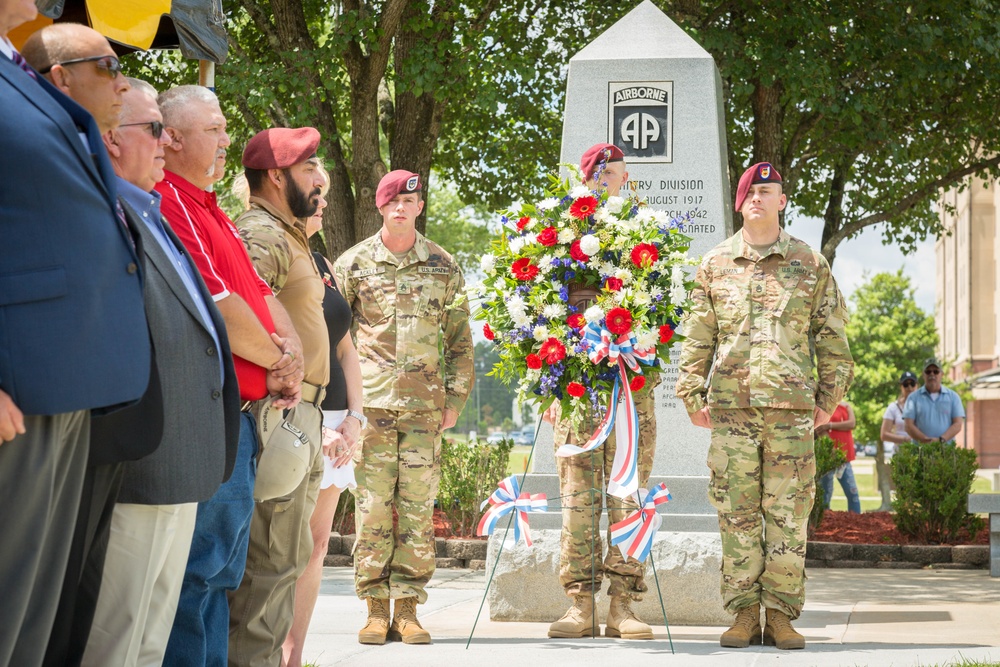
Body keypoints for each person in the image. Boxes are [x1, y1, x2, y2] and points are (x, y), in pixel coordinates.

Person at [0, 8, 150, 665]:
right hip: (20, 387)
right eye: (109, 66)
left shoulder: (14, 73)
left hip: (67, 379)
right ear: (61, 75)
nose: (121, 80)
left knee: (34, 604)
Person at [77, 79, 241, 667]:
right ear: (112, 140)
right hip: (140, 464)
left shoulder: (152, 211)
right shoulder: (106, 214)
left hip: (180, 463)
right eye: (154, 129)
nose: (164, 142)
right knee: (116, 639)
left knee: (149, 641)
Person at [675, 162, 853, 650]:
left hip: (792, 413)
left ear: (782, 201)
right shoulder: (714, 264)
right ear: (739, 202)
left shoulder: (809, 264)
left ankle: (780, 615)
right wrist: (691, 395)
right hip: (731, 413)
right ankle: (742, 616)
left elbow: (832, 338)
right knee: (736, 514)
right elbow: (697, 338)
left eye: (767, 190)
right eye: (750, 191)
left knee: (789, 515)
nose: (757, 196)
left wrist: (827, 401)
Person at [155, 85, 304, 667]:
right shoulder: (169, 199)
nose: (225, 142)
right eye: (213, 130)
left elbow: (261, 295)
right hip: (208, 418)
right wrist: (280, 361)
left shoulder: (211, 205)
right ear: (171, 138)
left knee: (219, 576)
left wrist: (286, 349)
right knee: (198, 575)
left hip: (241, 420)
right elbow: (216, 302)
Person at [334, 170, 474, 646]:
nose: (400, 208)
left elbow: (459, 341)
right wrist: (340, 406)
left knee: (416, 508)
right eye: (392, 200)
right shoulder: (352, 264)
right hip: (369, 405)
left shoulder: (443, 264)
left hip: (423, 408)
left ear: (419, 207)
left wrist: (454, 399)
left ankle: (409, 609)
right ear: (380, 207)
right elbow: (334, 337)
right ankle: (375, 609)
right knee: (373, 507)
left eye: (408, 201)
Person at [546, 143, 657, 641]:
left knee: (628, 498)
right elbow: (541, 314)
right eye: (596, 171)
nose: (604, 178)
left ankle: (624, 605)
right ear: (584, 177)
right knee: (576, 501)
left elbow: (663, 317)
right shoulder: (558, 237)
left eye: (613, 171)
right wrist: (549, 383)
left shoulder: (648, 237)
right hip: (576, 394)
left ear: (625, 177)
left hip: (629, 393)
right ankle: (579, 604)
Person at [229, 127, 330, 667]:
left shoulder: (291, 235)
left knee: (283, 563)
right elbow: (237, 308)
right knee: (265, 568)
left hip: (301, 414)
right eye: (309, 168)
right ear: (276, 175)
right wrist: (278, 366)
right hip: (275, 414)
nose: (319, 180)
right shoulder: (262, 233)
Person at [281, 170, 364, 667]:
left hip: (337, 417)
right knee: (280, 546)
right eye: (316, 195)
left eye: (327, 196)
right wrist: (318, 423)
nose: (324, 204)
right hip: (296, 414)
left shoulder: (322, 262)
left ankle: (296, 656)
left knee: (315, 546)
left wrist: (354, 416)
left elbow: (345, 348)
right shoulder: (276, 256)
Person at [903, 358, 965, 444]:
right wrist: (925, 440)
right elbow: (908, 426)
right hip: (920, 452)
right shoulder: (913, 398)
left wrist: (941, 440)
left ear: (942, 374)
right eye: (928, 371)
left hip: (946, 452)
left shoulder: (953, 397)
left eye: (936, 371)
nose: (932, 374)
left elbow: (958, 424)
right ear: (923, 374)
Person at [815, 401, 861, 514]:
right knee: (825, 493)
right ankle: (824, 520)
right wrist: (832, 451)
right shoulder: (821, 405)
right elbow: (819, 429)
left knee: (852, 491)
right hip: (828, 457)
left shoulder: (845, 405)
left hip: (844, 457)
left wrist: (829, 425)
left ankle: (855, 518)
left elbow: (851, 424)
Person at [881, 371, 917, 453]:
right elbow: (884, 435)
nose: (909, 387)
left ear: (917, 386)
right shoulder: (893, 407)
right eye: (905, 384)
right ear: (901, 387)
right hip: (900, 453)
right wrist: (906, 439)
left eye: (912, 384)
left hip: (921, 451)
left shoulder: (925, 405)